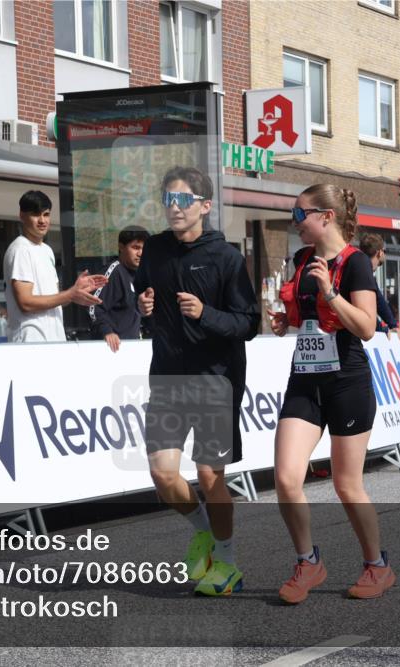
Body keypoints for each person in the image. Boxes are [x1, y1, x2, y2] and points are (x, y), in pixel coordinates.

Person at [134, 166, 259, 597]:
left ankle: (226, 561)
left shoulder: (226, 257)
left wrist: (205, 313)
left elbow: (249, 323)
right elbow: (143, 292)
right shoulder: (154, 250)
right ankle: (204, 532)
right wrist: (144, 304)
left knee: (209, 477)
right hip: (168, 378)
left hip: (215, 381)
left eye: (183, 200)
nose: (173, 207)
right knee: (163, 475)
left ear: (205, 206)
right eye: (168, 199)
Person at [268, 184, 394, 604]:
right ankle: (308, 561)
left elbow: (367, 328)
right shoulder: (301, 259)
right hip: (305, 378)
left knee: (346, 485)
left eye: (299, 212)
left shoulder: (355, 263)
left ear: (325, 216)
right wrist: (285, 321)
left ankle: (377, 566)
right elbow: (302, 315)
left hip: (347, 381)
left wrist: (330, 294)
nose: (294, 220)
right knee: (286, 477)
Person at [3, 190, 107, 342]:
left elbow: (54, 298)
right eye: (35, 214)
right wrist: (70, 294)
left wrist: (76, 293)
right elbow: (25, 302)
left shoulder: (47, 250)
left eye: (46, 214)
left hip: (54, 340)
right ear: (22, 216)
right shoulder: (20, 249)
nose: (42, 220)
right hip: (30, 341)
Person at [90, 226, 149, 351]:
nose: (141, 253)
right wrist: (107, 331)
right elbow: (92, 306)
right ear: (121, 247)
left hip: (133, 348)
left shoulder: (141, 274)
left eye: (144, 248)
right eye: (135, 247)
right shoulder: (114, 271)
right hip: (112, 350)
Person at [357, 233, 400, 340]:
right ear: (380, 252)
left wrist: (392, 325)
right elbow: (374, 304)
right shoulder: (364, 273)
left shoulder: (361, 269)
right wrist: (385, 328)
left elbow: (379, 301)